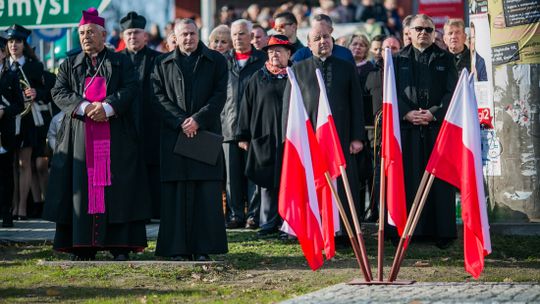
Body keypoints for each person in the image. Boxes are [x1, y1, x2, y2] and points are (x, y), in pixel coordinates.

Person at [43, 8, 151, 261]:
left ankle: (119, 245)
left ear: (103, 35)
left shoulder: (121, 61)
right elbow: (58, 92)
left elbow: (131, 87)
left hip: (115, 135)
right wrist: (84, 107)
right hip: (79, 136)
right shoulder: (69, 64)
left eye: (90, 32)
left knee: (118, 189)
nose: (85, 37)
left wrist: (108, 107)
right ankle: (82, 245)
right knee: (81, 186)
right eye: (81, 33)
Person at [152, 18, 228, 261]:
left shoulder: (216, 60)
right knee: (176, 194)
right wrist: (181, 122)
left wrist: (197, 120)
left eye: (192, 34)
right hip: (174, 136)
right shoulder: (161, 63)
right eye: (184, 34)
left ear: (199, 34)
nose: (189, 38)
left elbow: (219, 95)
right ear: (175, 36)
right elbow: (157, 97)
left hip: (204, 133)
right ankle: (177, 249)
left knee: (204, 193)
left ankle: (203, 248)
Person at [283, 13, 366, 237]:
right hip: (309, 140)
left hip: (342, 138)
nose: (323, 41)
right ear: (308, 44)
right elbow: (288, 108)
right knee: (312, 183)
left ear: (333, 40)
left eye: (326, 37)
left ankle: (344, 231)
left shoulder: (347, 67)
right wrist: (288, 140)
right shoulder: (298, 69)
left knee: (344, 184)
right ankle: (313, 229)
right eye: (317, 38)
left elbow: (357, 104)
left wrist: (357, 137)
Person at [393, 14, 458, 248]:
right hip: (407, 129)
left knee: (439, 181)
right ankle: (412, 231)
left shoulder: (446, 59)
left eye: (429, 30)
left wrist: (433, 112)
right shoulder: (396, 59)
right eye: (418, 28)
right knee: (409, 179)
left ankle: (441, 232)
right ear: (409, 32)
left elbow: (453, 92)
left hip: (437, 129)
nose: (423, 33)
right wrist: (406, 113)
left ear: (434, 33)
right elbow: (389, 93)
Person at [236, 35, 293, 237]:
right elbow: (246, 107)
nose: (274, 55)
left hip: (290, 139)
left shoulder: (296, 77)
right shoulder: (258, 77)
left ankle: (289, 223)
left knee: (290, 181)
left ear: (288, 54)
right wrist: (243, 135)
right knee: (266, 182)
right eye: (271, 52)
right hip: (264, 137)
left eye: (279, 51)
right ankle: (268, 222)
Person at [221, 19, 266, 230]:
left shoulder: (262, 60)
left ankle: (254, 216)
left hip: (254, 128)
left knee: (253, 175)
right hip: (229, 126)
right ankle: (235, 214)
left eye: (242, 34)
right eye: (235, 34)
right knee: (232, 177)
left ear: (251, 36)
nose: (238, 38)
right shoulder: (222, 61)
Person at [118, 11, 163, 219]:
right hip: (124, 123)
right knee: (128, 169)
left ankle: (155, 210)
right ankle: (132, 211)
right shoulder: (115, 61)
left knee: (153, 167)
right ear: (123, 37)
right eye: (128, 33)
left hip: (152, 121)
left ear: (146, 36)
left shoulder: (159, 60)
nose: (133, 37)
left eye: (136, 33)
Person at [5, 24, 47, 221]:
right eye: (10, 41)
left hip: (28, 119)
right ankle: (12, 206)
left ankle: (22, 207)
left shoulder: (34, 67)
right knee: (11, 164)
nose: (14, 45)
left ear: (24, 44)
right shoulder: (3, 67)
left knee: (24, 163)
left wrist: (36, 93)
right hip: (7, 121)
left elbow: (49, 91)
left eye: (18, 41)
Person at [0, 36, 24, 228]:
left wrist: (4, 111)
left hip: (5, 132)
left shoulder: (11, 74)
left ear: (2, 54)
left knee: (6, 175)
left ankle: (7, 214)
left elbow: (19, 104)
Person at [291, 15, 355, 65]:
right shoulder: (301, 55)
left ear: (331, 30)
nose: (318, 31)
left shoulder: (345, 54)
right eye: (314, 28)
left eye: (321, 28)